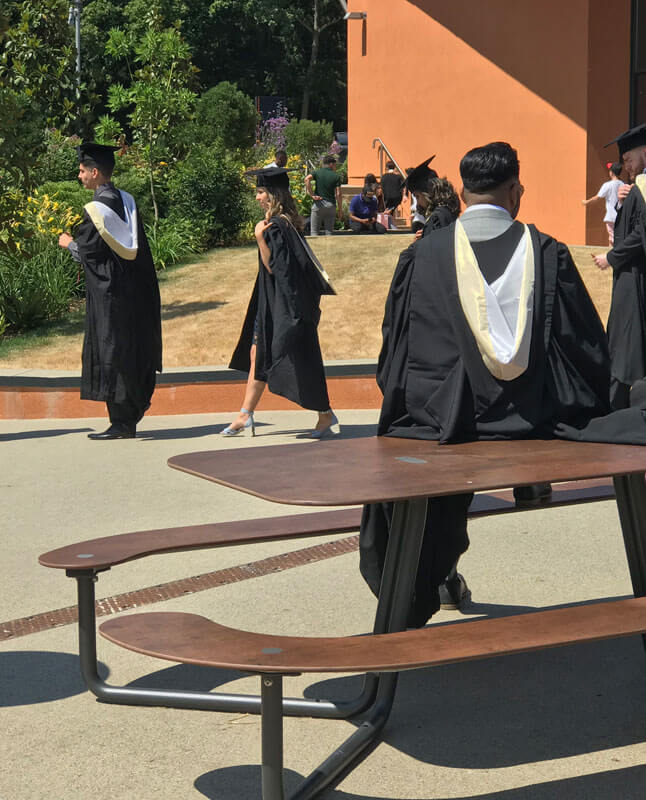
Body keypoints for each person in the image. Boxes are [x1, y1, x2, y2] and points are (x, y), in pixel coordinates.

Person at [361, 141, 646, 628]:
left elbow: (397, 357)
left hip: (446, 425)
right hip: (538, 422)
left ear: (465, 192)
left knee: (415, 477)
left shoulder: (422, 256)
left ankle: (421, 586)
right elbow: (585, 350)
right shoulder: (548, 253)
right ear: (516, 190)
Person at [58, 142, 162, 440]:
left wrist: (69, 244)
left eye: (81, 171)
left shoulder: (96, 210)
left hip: (110, 296)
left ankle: (121, 423)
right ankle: (130, 414)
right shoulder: (126, 201)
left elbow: (91, 253)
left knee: (111, 350)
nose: (79, 176)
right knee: (129, 349)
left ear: (95, 172)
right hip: (135, 293)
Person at [226, 167, 338, 438]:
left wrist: (259, 238)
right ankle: (245, 414)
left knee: (298, 358)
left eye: (261, 192)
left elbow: (276, 268)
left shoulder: (275, 227)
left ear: (274, 194)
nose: (258, 198)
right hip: (274, 302)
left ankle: (325, 414)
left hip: (284, 307)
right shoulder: (285, 222)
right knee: (257, 354)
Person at [592, 124, 646, 410]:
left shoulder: (642, 189)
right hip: (630, 271)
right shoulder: (636, 189)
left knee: (627, 336)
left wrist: (612, 257)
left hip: (633, 273)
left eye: (629, 159)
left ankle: (620, 402)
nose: (625, 166)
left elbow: (640, 234)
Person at [582, 162, 624, 245]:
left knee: (613, 238)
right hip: (621, 216)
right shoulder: (623, 184)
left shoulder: (607, 185)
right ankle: (611, 255)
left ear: (611, 172)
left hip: (611, 216)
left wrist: (587, 202)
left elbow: (598, 197)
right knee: (614, 237)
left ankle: (615, 255)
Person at [305, 155, 342, 235]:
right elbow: (338, 194)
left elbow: (307, 179)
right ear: (331, 164)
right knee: (329, 233)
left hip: (318, 204)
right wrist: (340, 209)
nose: (335, 167)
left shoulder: (317, 172)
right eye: (335, 165)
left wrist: (312, 195)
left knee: (314, 232)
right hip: (330, 206)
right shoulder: (336, 176)